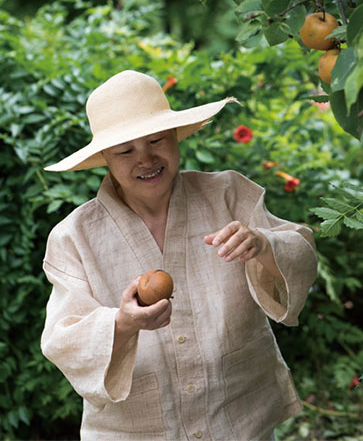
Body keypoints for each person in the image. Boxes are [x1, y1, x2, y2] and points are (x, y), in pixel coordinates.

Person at [41, 69, 318, 441]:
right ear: (104, 157)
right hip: (135, 431)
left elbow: (302, 252)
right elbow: (62, 339)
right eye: (125, 151)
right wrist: (122, 322)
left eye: (156, 140)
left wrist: (264, 246)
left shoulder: (228, 194)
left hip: (239, 420)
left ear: (175, 137)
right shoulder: (74, 237)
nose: (145, 159)